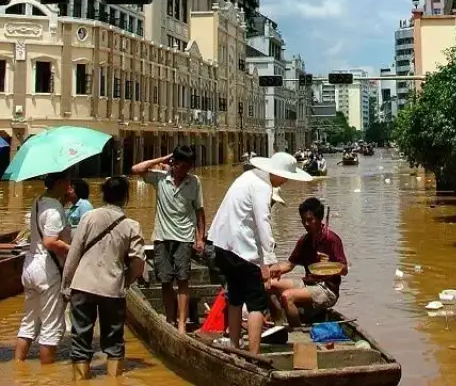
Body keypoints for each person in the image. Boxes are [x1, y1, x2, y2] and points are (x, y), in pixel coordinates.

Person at [206, 152, 312, 354]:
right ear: (279, 174)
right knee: (256, 303)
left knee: (236, 296)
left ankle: (235, 346)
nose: (287, 181)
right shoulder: (262, 187)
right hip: (239, 249)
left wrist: (263, 259)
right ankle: (253, 354)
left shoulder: (247, 177)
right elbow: (263, 224)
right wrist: (269, 263)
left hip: (221, 245)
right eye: (286, 177)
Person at [62, 176, 145, 380]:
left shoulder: (88, 217)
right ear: (126, 197)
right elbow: (138, 262)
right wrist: (126, 281)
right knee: (114, 340)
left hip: (82, 284)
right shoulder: (131, 225)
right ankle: (114, 380)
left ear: (103, 195)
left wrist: (66, 285)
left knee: (80, 338)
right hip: (112, 288)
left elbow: (74, 254)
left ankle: (80, 381)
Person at [131, 145, 205, 334]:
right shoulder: (160, 178)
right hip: (162, 237)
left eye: (189, 166)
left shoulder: (194, 182)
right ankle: (170, 319)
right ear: (175, 163)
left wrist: (200, 238)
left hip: (184, 238)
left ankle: (181, 323)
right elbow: (136, 169)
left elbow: (199, 212)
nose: (187, 170)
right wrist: (164, 157)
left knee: (182, 280)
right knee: (165, 280)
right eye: (183, 166)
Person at [15, 172, 72, 365]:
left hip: (30, 264)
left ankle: (18, 366)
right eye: (67, 181)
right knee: (51, 325)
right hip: (48, 269)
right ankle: (47, 376)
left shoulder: (38, 201)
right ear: (59, 183)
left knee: (29, 321)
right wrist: (73, 250)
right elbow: (50, 241)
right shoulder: (54, 209)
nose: (69, 185)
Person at [269, 197, 348, 328]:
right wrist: (271, 271)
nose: (306, 224)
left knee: (287, 296)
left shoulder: (331, 240)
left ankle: (298, 333)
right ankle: (278, 324)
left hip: (326, 289)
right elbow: (289, 265)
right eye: (303, 220)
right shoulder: (304, 241)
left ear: (319, 218)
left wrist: (330, 264)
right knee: (269, 285)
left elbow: (344, 270)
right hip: (308, 283)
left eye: (310, 220)